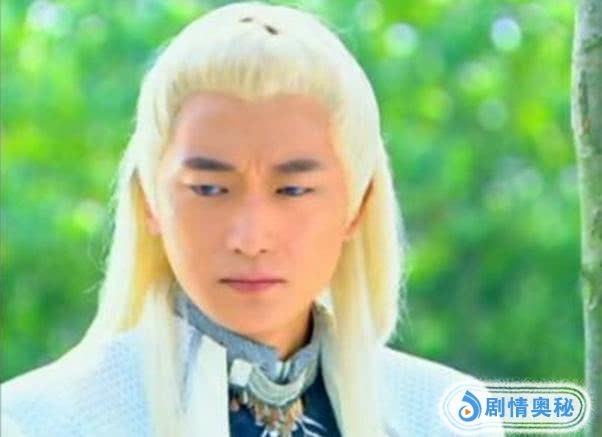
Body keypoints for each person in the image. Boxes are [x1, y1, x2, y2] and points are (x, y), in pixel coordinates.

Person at [1, 2, 504, 436]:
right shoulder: (39, 421)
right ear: (150, 200)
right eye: (209, 189)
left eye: (294, 190)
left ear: (358, 204)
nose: (251, 237)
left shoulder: (439, 416)